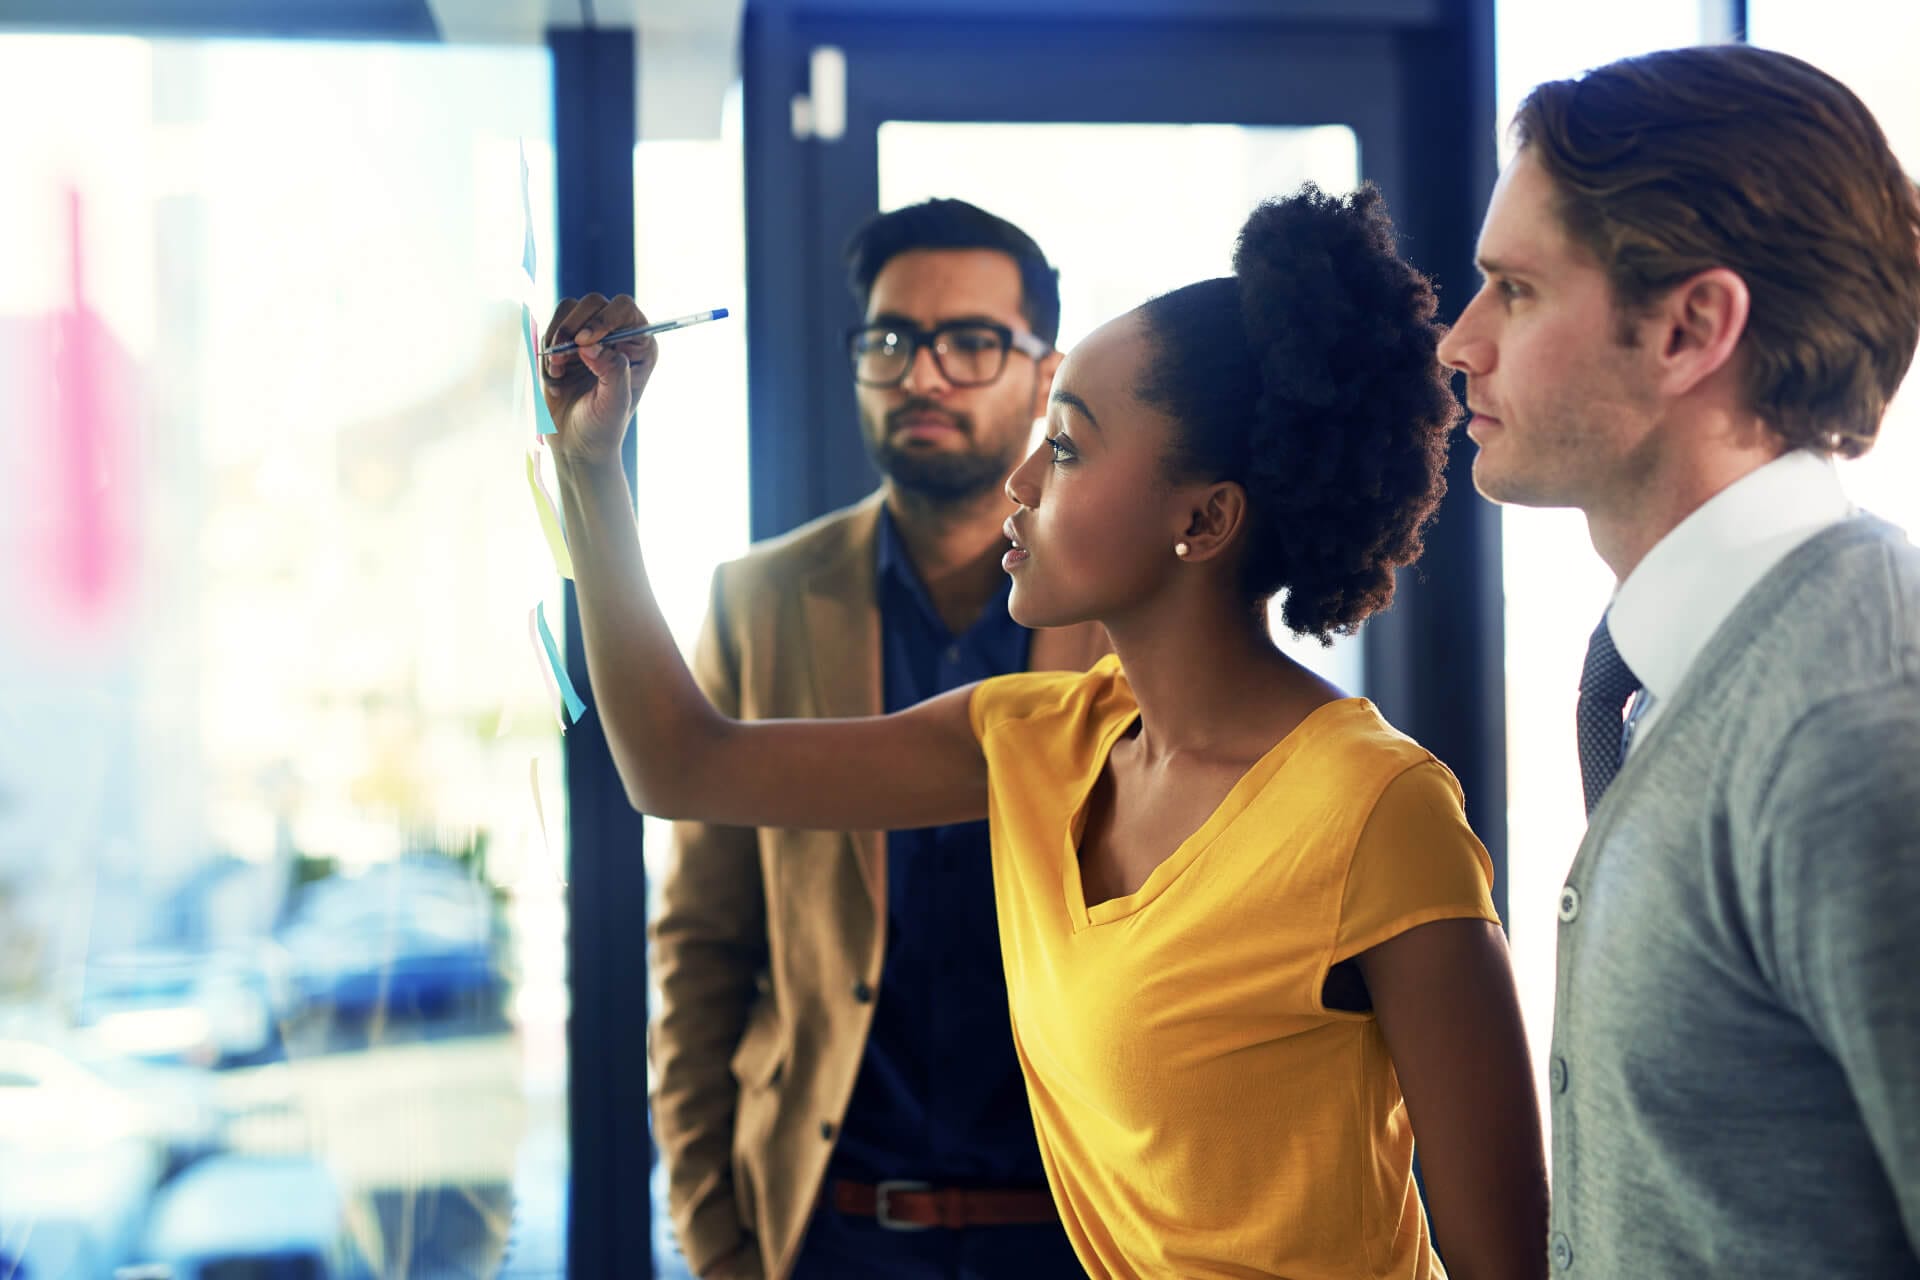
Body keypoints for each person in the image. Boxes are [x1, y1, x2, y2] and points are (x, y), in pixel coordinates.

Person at [544, 184, 1548, 1280]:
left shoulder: (1376, 810)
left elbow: (1509, 1259)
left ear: (1204, 518)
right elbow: (680, 762)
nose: (1021, 482)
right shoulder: (1035, 739)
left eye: (1064, 449)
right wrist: (594, 466)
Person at [1438, 43, 1920, 1278]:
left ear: (1691, 326)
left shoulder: (1863, 722)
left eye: (1517, 290)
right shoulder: (1685, 671)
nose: (1460, 339)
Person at [648, 199, 1104, 1280]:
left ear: (1045, 379)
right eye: (891, 339)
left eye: (972, 342)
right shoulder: (760, 601)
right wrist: (716, 1234)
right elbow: (701, 939)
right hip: (829, 1227)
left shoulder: (1130, 609)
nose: (924, 373)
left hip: (1080, 1230)